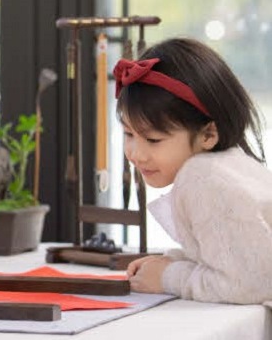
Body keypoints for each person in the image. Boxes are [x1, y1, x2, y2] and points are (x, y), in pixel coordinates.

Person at [114, 38, 272, 305]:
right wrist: (177, 259)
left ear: (208, 134)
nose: (135, 154)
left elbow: (248, 284)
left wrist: (167, 276)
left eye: (153, 140)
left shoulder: (203, 178)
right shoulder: (232, 165)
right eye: (129, 134)